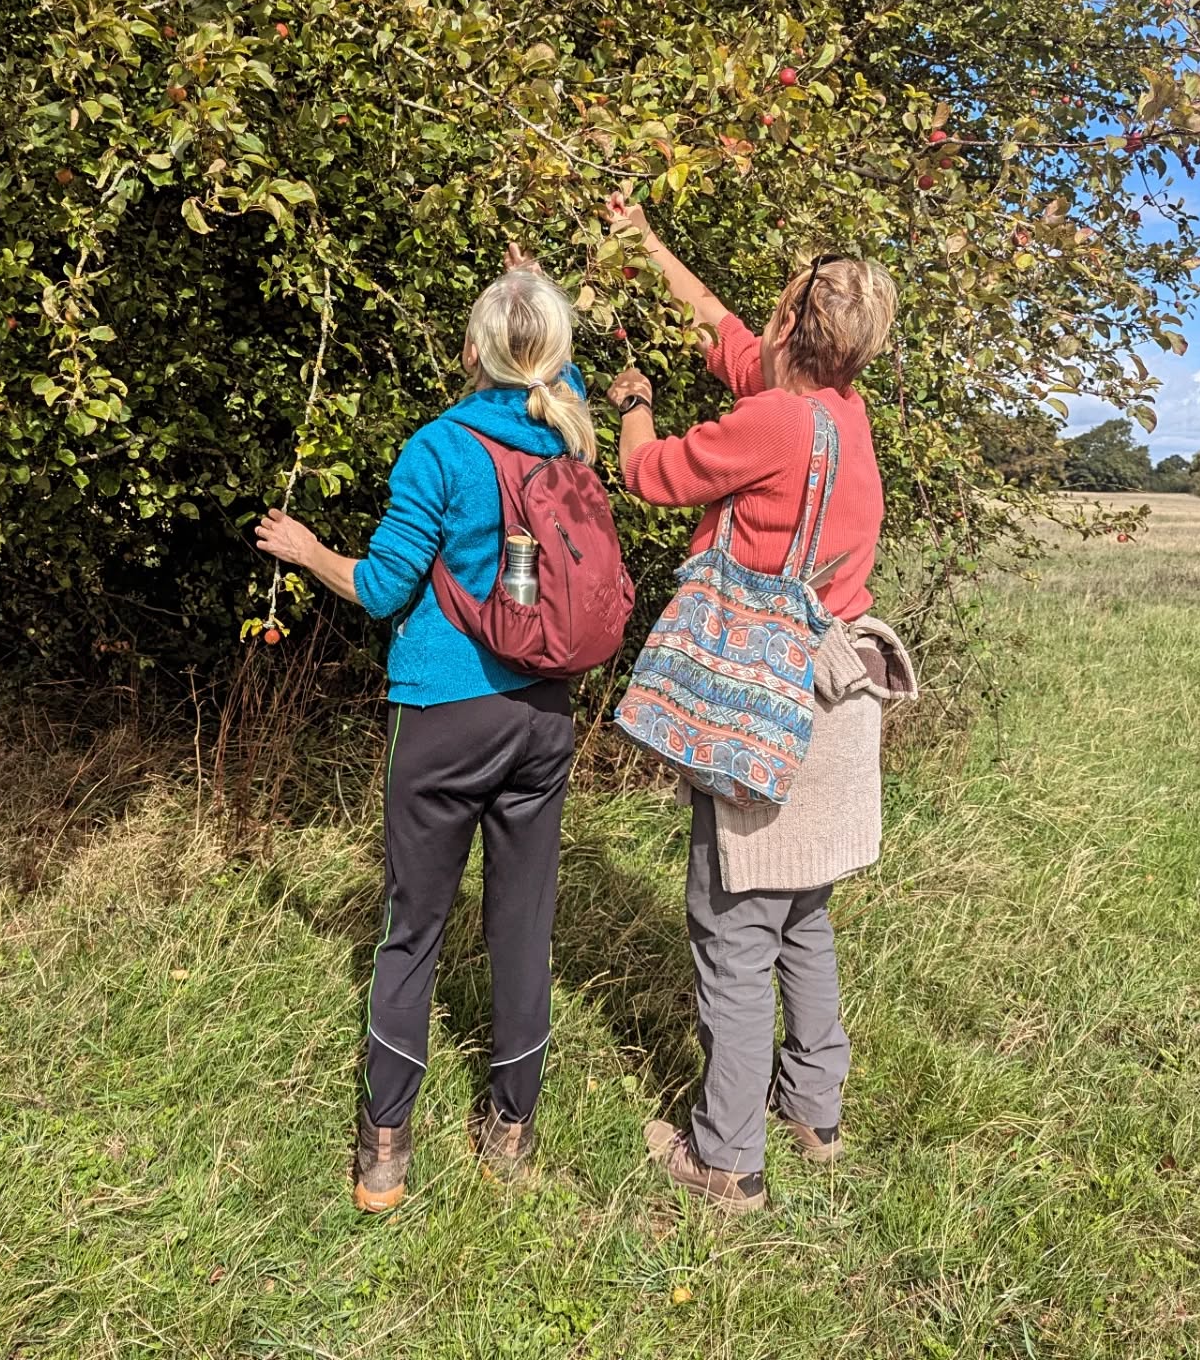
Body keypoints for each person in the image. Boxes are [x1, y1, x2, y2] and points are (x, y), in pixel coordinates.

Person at [255, 252, 593, 1212]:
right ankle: (511, 1133)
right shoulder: (564, 438)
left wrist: (305, 548)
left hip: (444, 718)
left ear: (470, 351)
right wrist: (534, 290)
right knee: (523, 925)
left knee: (413, 930)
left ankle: (387, 1152)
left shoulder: (439, 448)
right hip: (543, 717)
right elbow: (551, 373)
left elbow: (380, 589)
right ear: (551, 356)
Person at [604, 195, 916, 1214]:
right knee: (803, 912)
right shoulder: (838, 412)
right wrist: (645, 244)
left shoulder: (773, 422)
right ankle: (813, 1108)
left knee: (732, 926)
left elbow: (650, 475)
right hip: (840, 700)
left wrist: (632, 401)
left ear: (793, 325)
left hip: (762, 701)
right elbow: (725, 333)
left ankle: (726, 1159)